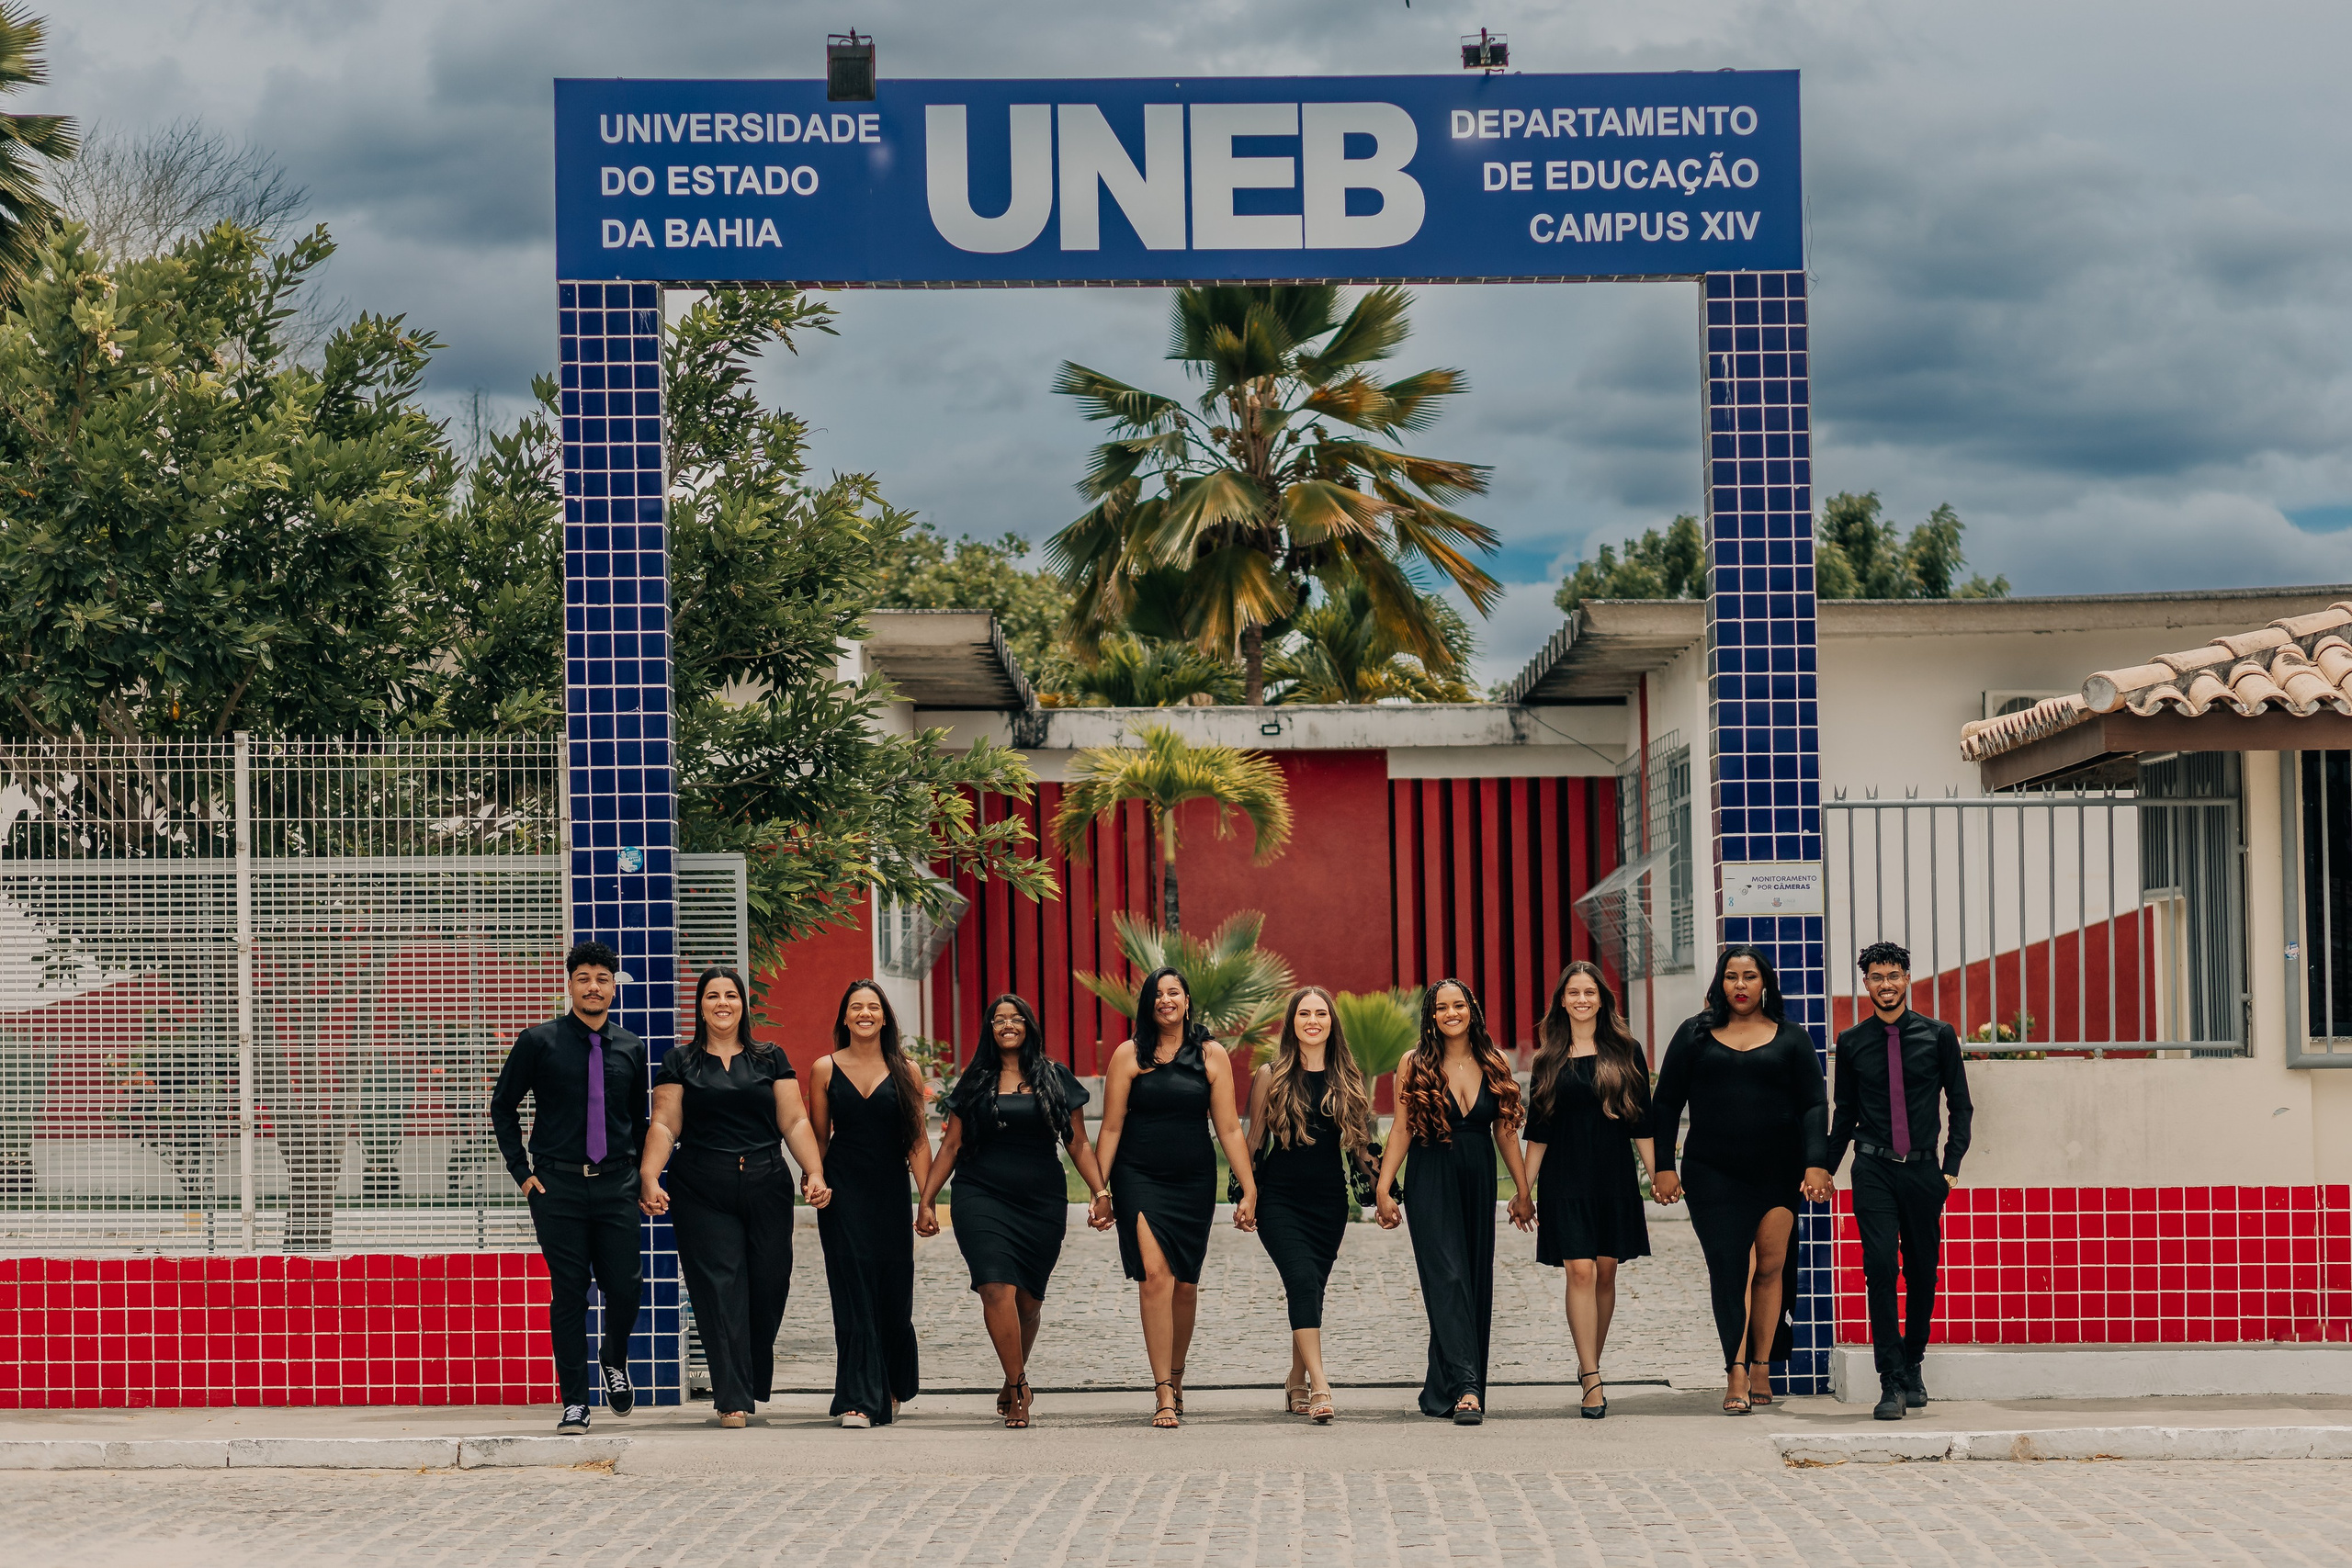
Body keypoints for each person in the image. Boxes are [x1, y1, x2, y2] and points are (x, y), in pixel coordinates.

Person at [637, 965, 831, 1428]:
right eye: (712, 996)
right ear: (700, 1006)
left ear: (743, 1004)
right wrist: (649, 1175)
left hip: (766, 1181)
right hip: (702, 1185)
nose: (722, 1003)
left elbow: (795, 1121)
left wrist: (814, 1170)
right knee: (719, 1288)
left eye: (731, 995)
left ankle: (748, 1378)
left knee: (769, 1284)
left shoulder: (770, 1057)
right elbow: (665, 1123)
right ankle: (732, 1398)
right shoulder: (679, 1061)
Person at [1648, 945, 1832, 1416]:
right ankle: (1734, 1368)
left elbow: (1814, 1104)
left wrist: (1816, 1163)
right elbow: (1666, 1103)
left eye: (1750, 976)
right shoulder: (1694, 1035)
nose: (1741, 985)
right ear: (1720, 983)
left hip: (1778, 1171)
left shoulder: (1792, 1038)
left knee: (1771, 1267)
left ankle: (1761, 1364)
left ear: (1764, 983)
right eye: (1732, 976)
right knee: (1731, 1270)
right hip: (1713, 1172)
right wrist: (1664, 1166)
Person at [916, 993, 1114, 1428]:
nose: (1007, 1025)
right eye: (998, 1019)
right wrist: (927, 1198)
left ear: (1028, 1025)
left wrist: (1101, 1190)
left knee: (1027, 1302)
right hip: (980, 1194)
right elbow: (951, 1145)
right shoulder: (975, 1080)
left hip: (1040, 1200)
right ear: (990, 1029)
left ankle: (1010, 1379)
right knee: (995, 1288)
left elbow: (1077, 1142)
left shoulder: (1054, 1076)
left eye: (1016, 1018)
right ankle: (1020, 1383)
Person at [490, 940, 650, 1434]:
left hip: (617, 1184)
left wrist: (643, 1177)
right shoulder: (538, 1042)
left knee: (625, 1287)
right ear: (571, 984)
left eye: (602, 978)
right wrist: (523, 1173)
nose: (593, 986)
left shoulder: (630, 1047)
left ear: (613, 987)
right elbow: (502, 1107)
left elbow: (637, 1121)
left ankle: (613, 1360)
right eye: (584, 978)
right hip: (556, 1187)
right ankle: (575, 1402)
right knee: (569, 1293)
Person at [1093, 965, 1260, 1428]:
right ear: (1148, 1005)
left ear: (1187, 1000)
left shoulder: (1211, 1055)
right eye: (1157, 994)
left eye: (1173, 993)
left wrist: (1249, 1187)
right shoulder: (1128, 1055)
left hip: (1193, 1179)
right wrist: (1099, 1187)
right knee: (1155, 1277)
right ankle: (1162, 1390)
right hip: (1138, 1176)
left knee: (1185, 1285)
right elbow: (1110, 1126)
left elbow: (1228, 1127)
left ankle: (1177, 1374)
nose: (1165, 1000)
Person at [1374, 979, 1533, 1425]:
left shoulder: (1493, 1061)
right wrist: (1385, 1188)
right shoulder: (1414, 1063)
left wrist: (1523, 1192)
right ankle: (1467, 1387)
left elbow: (1505, 1132)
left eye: (1458, 1005)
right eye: (1441, 1007)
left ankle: (1446, 1386)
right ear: (1431, 1015)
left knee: (1474, 1278)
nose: (1450, 1014)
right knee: (1447, 1277)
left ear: (1471, 1010)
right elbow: (1402, 1128)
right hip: (1430, 1175)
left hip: (1478, 1176)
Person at [1828, 941, 1973, 1422]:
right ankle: (1889, 1382)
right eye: (1876, 977)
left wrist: (1949, 1168)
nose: (1885, 985)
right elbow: (1844, 1115)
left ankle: (1913, 1363)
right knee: (1879, 1269)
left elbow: (1961, 1105)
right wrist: (1824, 1168)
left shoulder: (1937, 1036)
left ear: (1907, 979)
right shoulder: (1851, 1043)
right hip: (1871, 1170)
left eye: (1893, 976)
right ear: (1865, 983)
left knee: (1923, 1274)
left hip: (1923, 1171)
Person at [1515, 960, 1658, 1420]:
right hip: (1565, 1178)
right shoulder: (1546, 1059)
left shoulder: (1627, 1051)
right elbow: (1538, 1131)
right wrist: (1523, 1189)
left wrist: (1659, 1176)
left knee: (1606, 1271)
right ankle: (1592, 1374)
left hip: (1612, 1175)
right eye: (1573, 993)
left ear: (1602, 999)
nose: (1581, 1000)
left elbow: (1642, 1122)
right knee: (1579, 1271)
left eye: (1589, 993)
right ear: (1562, 1000)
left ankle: (1586, 1364)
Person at [1243, 986, 1379, 1424]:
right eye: (1304, 1013)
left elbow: (1360, 1147)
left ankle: (1295, 1381)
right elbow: (1253, 1141)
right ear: (1293, 1022)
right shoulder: (1272, 1074)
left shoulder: (1348, 1078)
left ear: (1331, 1023)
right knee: (1302, 1281)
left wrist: (1384, 1192)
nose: (1313, 1020)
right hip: (1279, 1200)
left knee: (1311, 1291)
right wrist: (1245, 1194)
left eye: (1321, 1013)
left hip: (1329, 1203)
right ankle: (1320, 1387)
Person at [807, 980, 933, 1428]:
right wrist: (813, 1179)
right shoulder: (824, 1069)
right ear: (844, 1017)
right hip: (842, 1194)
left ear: (884, 1017)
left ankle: (894, 1383)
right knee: (852, 1290)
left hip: (891, 1194)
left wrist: (928, 1201)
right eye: (855, 1007)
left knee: (893, 1291)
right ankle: (858, 1397)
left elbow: (917, 1141)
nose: (864, 1013)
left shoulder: (907, 1071)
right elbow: (818, 1139)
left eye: (872, 1007)